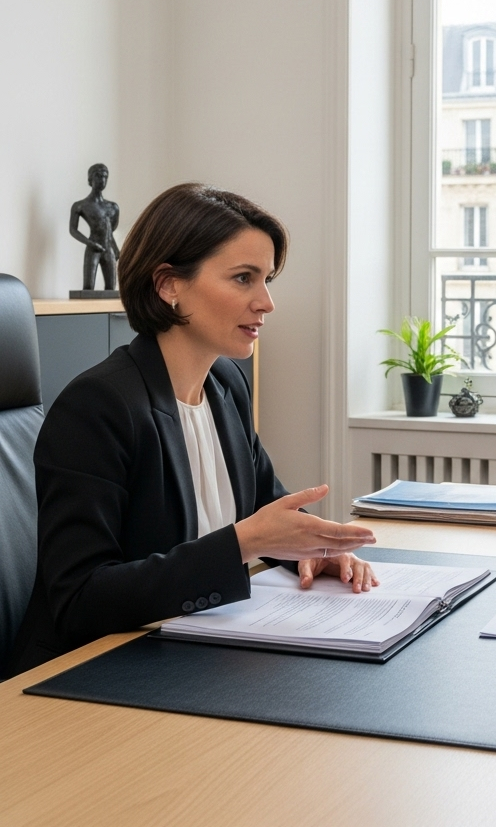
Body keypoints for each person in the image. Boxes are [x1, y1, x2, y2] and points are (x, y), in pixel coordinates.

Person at [6, 183, 379, 676]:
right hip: (92, 676)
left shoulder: (226, 383)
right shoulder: (99, 406)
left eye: (267, 279)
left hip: (192, 657)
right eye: (243, 278)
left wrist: (314, 551)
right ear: (168, 285)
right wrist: (243, 544)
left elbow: (266, 508)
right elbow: (80, 599)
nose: (266, 302)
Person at [69, 163, 120, 292]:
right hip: (93, 248)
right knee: (88, 287)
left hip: (108, 249)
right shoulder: (81, 205)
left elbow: (110, 230)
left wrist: (115, 249)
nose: (102, 180)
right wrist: (91, 243)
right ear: (90, 179)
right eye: (98, 176)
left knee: (111, 288)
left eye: (105, 176)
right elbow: (73, 230)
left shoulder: (113, 207)